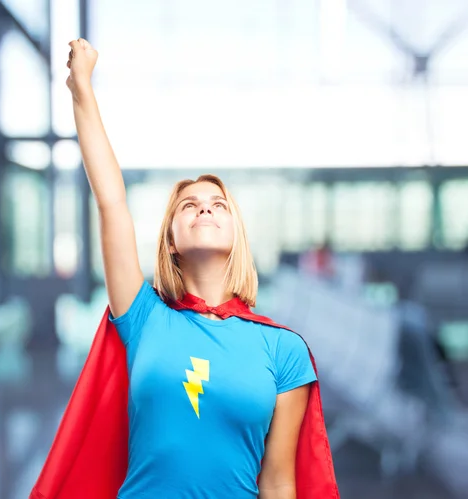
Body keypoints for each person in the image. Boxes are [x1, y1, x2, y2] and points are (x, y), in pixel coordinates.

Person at [31, 38, 338, 499]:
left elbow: (278, 482)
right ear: (171, 241)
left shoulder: (284, 350)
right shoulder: (143, 317)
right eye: (189, 205)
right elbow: (112, 202)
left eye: (218, 204)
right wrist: (82, 91)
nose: (205, 209)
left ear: (237, 235)